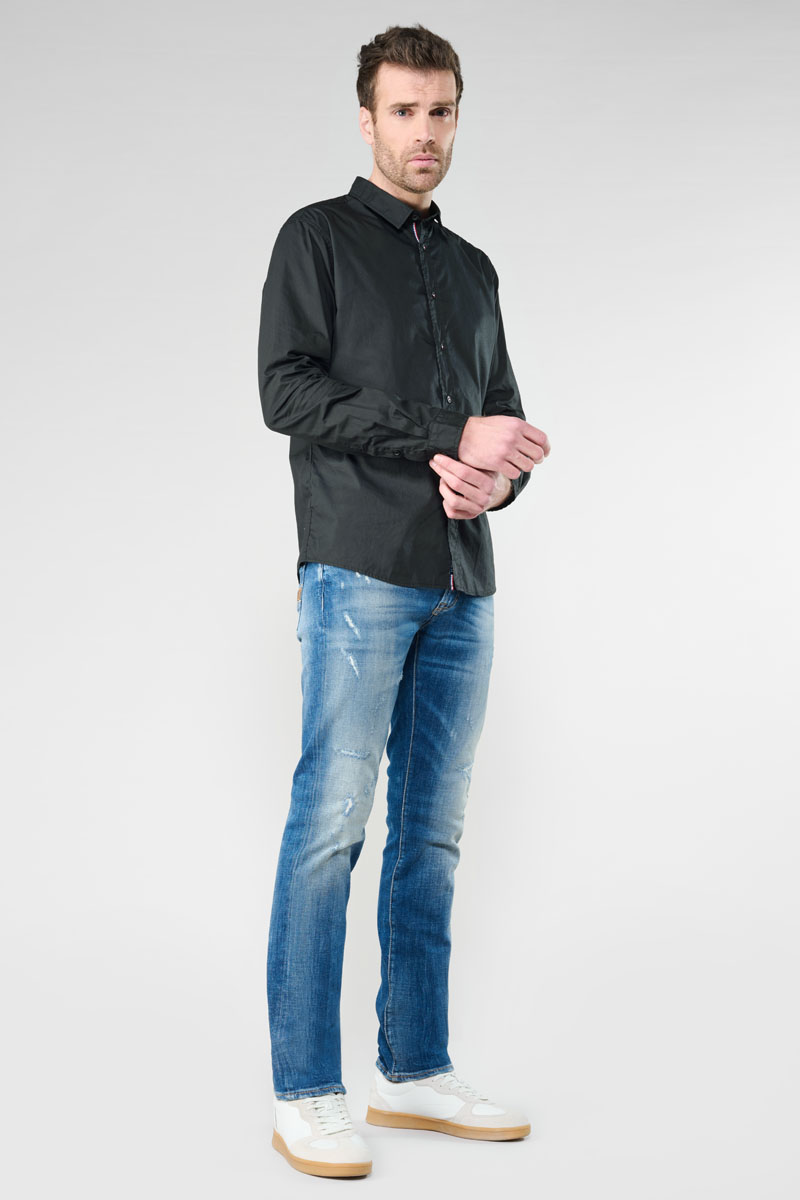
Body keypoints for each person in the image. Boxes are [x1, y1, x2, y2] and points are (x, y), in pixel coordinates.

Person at [257, 23, 550, 1179]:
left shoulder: (472, 269)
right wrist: (443, 434)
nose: (424, 133)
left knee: (431, 832)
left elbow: (499, 414)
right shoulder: (316, 239)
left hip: (462, 579)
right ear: (366, 118)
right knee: (330, 825)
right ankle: (303, 1091)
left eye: (441, 112)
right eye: (404, 111)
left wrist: (499, 475)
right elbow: (284, 390)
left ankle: (413, 1068)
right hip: (357, 568)